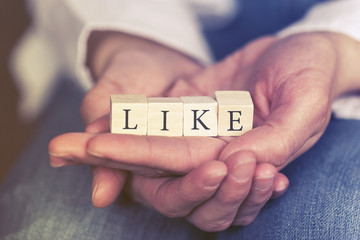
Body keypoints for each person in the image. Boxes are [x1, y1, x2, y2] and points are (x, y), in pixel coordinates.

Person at [1, 0, 360, 239]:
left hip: (346, 58)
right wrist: (131, 44)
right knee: (50, 230)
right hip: (118, 30)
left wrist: (337, 45)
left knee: (334, 225)